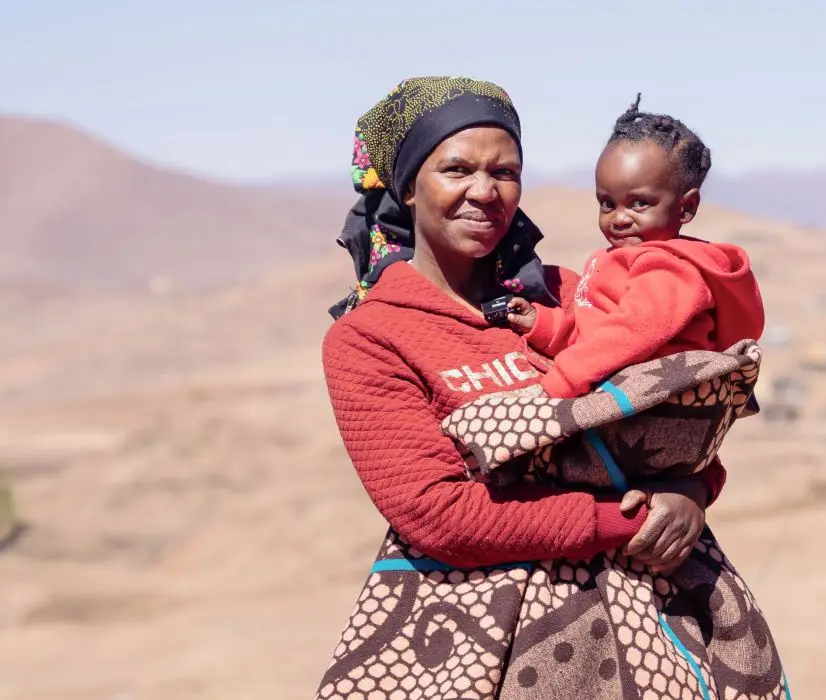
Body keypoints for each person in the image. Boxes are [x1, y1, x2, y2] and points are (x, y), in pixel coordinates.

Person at [316, 76, 788, 700]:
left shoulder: (567, 297)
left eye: (505, 172)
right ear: (407, 186)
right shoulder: (372, 337)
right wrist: (628, 522)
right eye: (456, 169)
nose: (483, 192)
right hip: (482, 642)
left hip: (652, 620)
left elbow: (672, 421)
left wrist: (694, 491)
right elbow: (439, 516)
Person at [505, 95, 765, 399]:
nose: (619, 218)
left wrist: (558, 384)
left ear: (686, 208)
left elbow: (628, 335)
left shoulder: (669, 271)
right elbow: (596, 333)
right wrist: (546, 326)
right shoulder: (615, 259)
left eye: (639, 203)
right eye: (607, 203)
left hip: (653, 407)